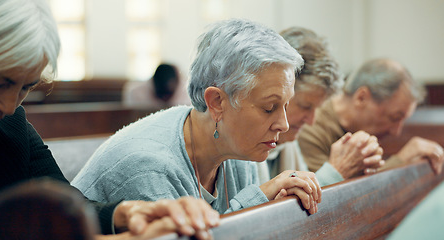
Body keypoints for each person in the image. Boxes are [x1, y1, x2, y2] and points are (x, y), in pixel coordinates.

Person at [0, 0, 219, 239]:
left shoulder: (11, 126)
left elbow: (68, 205)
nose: (8, 105)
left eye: (26, 87)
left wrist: (129, 212)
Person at [72, 18, 322, 216]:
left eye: (286, 106)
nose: (284, 124)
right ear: (217, 102)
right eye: (269, 108)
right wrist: (259, 197)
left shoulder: (241, 147)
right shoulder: (148, 167)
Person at [256, 27, 384, 187]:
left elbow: (302, 198)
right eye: (305, 106)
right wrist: (337, 171)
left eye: (317, 108)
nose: (311, 121)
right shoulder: (244, 146)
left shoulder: (288, 141)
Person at [297, 58, 444, 180]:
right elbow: (328, 199)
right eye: (394, 118)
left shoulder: (362, 130)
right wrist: (401, 161)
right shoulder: (309, 126)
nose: (396, 132)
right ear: (361, 98)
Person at [123, 63, 191, 109]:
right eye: (162, 95)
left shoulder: (189, 93)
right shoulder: (136, 93)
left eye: (168, 95)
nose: (165, 98)